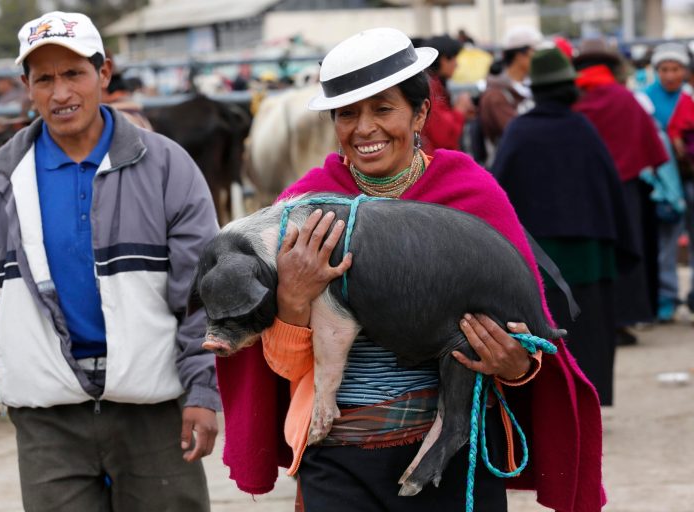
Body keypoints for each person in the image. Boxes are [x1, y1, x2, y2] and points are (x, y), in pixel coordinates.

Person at [216, 28, 605, 512]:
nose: (364, 129)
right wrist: (294, 301)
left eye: (383, 109)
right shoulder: (302, 210)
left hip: (455, 459)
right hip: (337, 465)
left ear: (420, 112)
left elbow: (527, 345)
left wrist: (517, 365)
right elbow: (281, 366)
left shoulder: (469, 194)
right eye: (348, 114)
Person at [0, 11, 220, 511]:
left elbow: (203, 293)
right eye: (44, 79)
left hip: (153, 408)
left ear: (103, 74)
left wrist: (202, 391)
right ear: (26, 87)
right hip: (49, 420)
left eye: (73, 74)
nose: (60, 94)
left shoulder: (168, 168)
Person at [491, 48, 634, 406]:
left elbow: (496, 193)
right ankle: (589, 398)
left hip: (537, 259)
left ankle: (552, 401)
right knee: (590, 329)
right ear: (570, 88)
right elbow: (611, 191)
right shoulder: (582, 129)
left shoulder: (519, 132)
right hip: (589, 253)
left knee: (546, 328)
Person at [572, 38, 669, 344]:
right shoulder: (625, 98)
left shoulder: (573, 100)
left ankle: (592, 321)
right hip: (625, 190)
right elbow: (653, 147)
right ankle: (624, 321)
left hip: (584, 193)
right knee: (627, 251)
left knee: (593, 255)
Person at [644, 42, 694, 317]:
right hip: (665, 184)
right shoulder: (646, 98)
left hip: (690, 175)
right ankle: (666, 297)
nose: (670, 74)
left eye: (676, 68)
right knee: (666, 243)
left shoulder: (690, 96)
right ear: (656, 70)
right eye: (664, 69)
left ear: (684, 70)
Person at [478, 25, 541, 163]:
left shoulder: (528, 86)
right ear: (520, 55)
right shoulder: (496, 95)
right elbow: (519, 135)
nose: (538, 57)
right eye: (534, 52)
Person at [421, 34, 474, 152]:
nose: (457, 64)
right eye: (455, 59)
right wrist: (460, 110)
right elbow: (443, 137)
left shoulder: (434, 85)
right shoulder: (431, 88)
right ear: (444, 60)